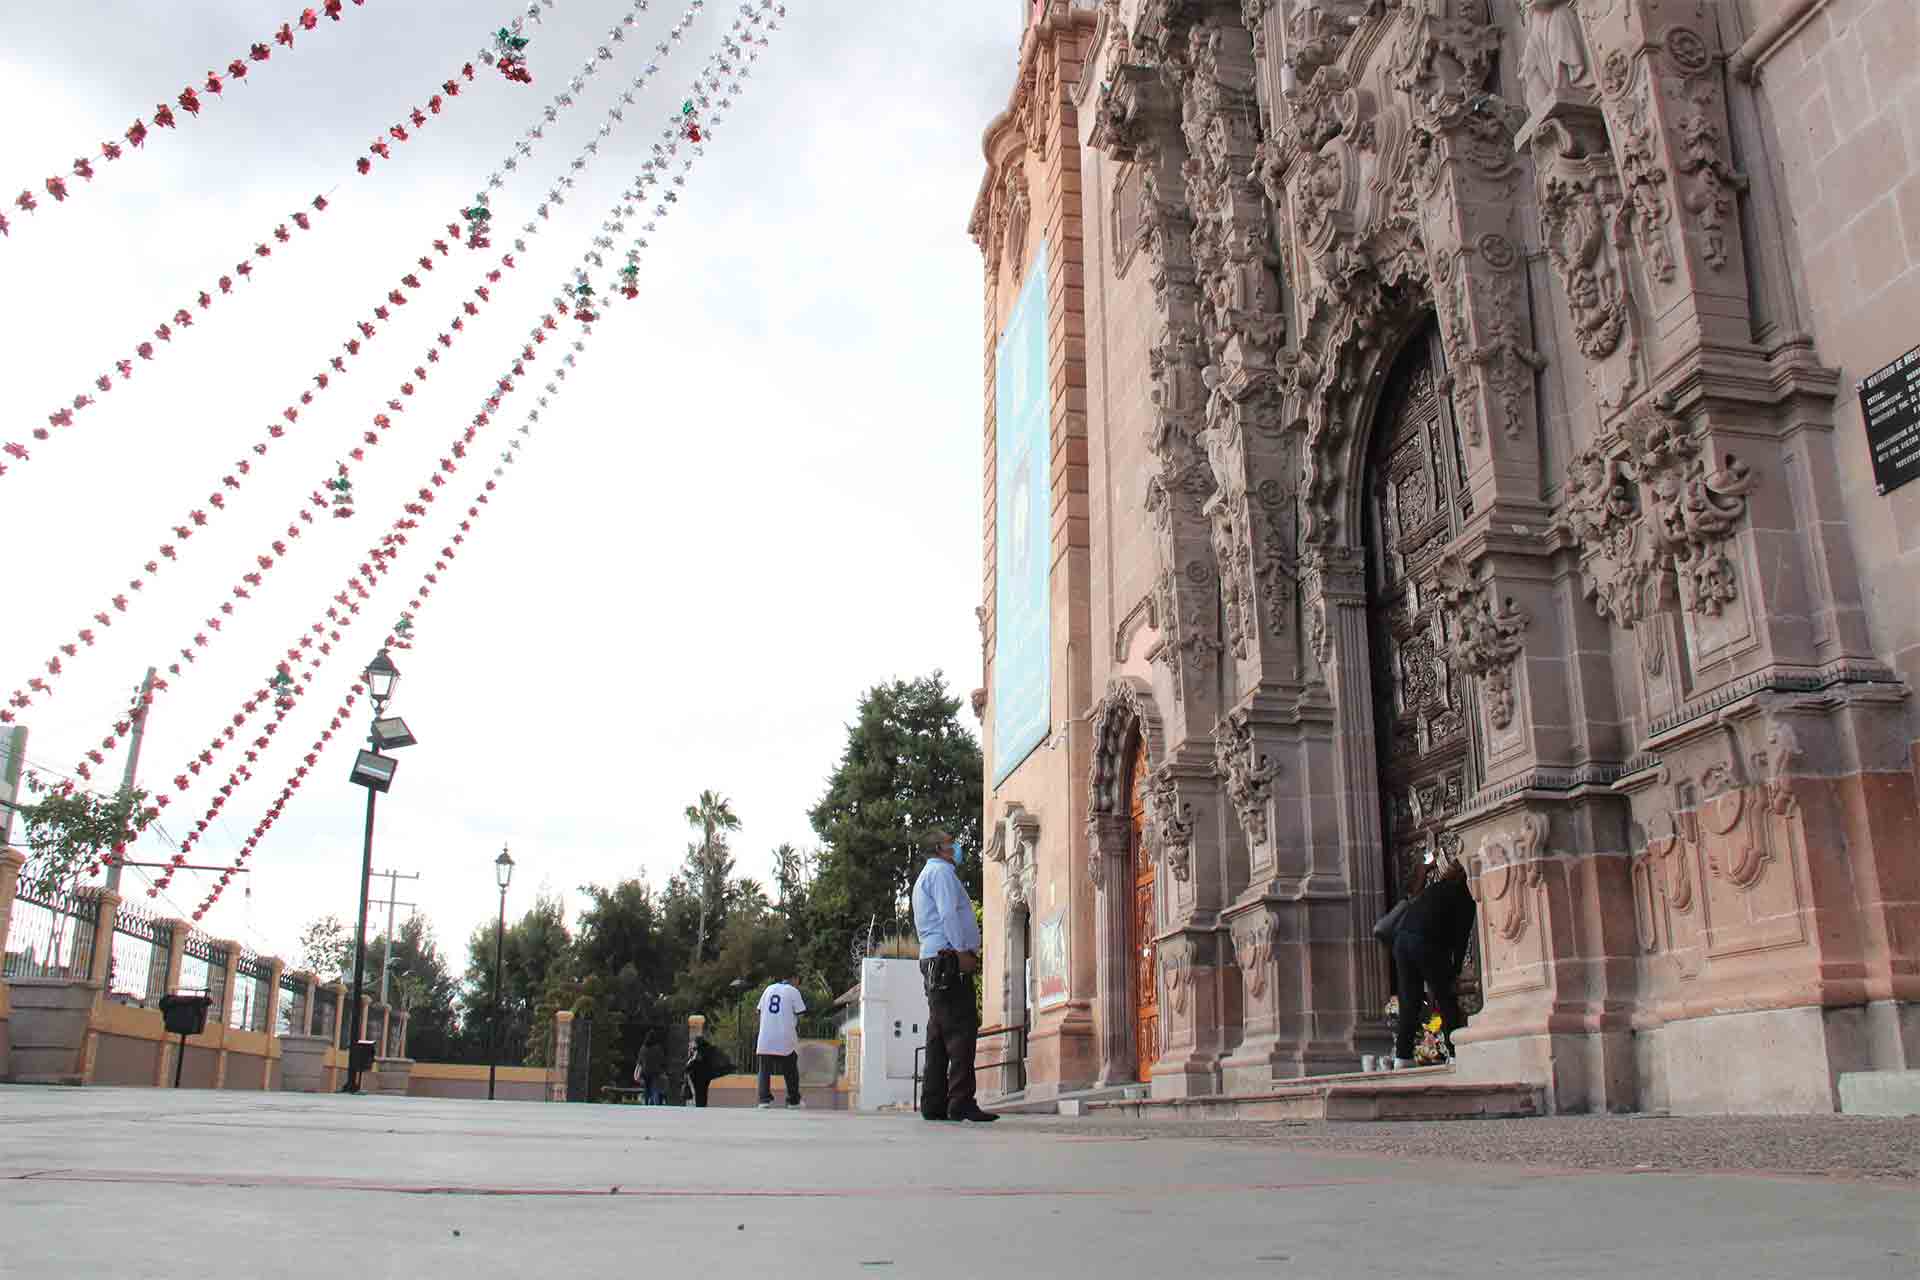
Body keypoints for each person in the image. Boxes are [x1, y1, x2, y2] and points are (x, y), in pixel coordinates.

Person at [911, 829, 997, 1123]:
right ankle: (961, 1100)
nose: (956, 847)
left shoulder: (925, 876)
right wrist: (963, 952)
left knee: (938, 1032)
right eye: (951, 842)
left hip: (932, 958)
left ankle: (933, 1102)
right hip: (948, 957)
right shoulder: (943, 874)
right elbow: (949, 914)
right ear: (940, 848)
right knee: (961, 1028)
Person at [1390, 855, 1476, 1069]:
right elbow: (1460, 939)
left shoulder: (1437, 887)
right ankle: (1456, 1053)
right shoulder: (1465, 896)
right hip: (1426, 942)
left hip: (1402, 940)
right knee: (1445, 997)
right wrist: (1455, 971)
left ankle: (1402, 1057)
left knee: (1410, 1000)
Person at [754, 975, 808, 1109]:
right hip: (784, 1036)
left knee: (764, 1069)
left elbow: (758, 1010)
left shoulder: (768, 989)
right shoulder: (793, 991)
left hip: (766, 1036)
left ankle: (763, 1100)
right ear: (794, 978)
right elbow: (801, 1013)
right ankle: (793, 1100)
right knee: (790, 1069)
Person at [684, 1031, 723, 1108]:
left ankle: (699, 1106)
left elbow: (690, 1064)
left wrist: (687, 1068)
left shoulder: (696, 1052)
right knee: (704, 1092)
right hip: (706, 1076)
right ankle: (703, 1105)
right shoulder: (707, 1050)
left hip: (696, 1076)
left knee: (698, 1092)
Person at [638, 1029, 667, 1106]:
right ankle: (655, 1104)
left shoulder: (643, 1048)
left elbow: (640, 1061)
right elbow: (662, 1060)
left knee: (646, 1089)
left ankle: (646, 1103)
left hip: (645, 1072)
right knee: (655, 1089)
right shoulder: (658, 1048)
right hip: (656, 1072)